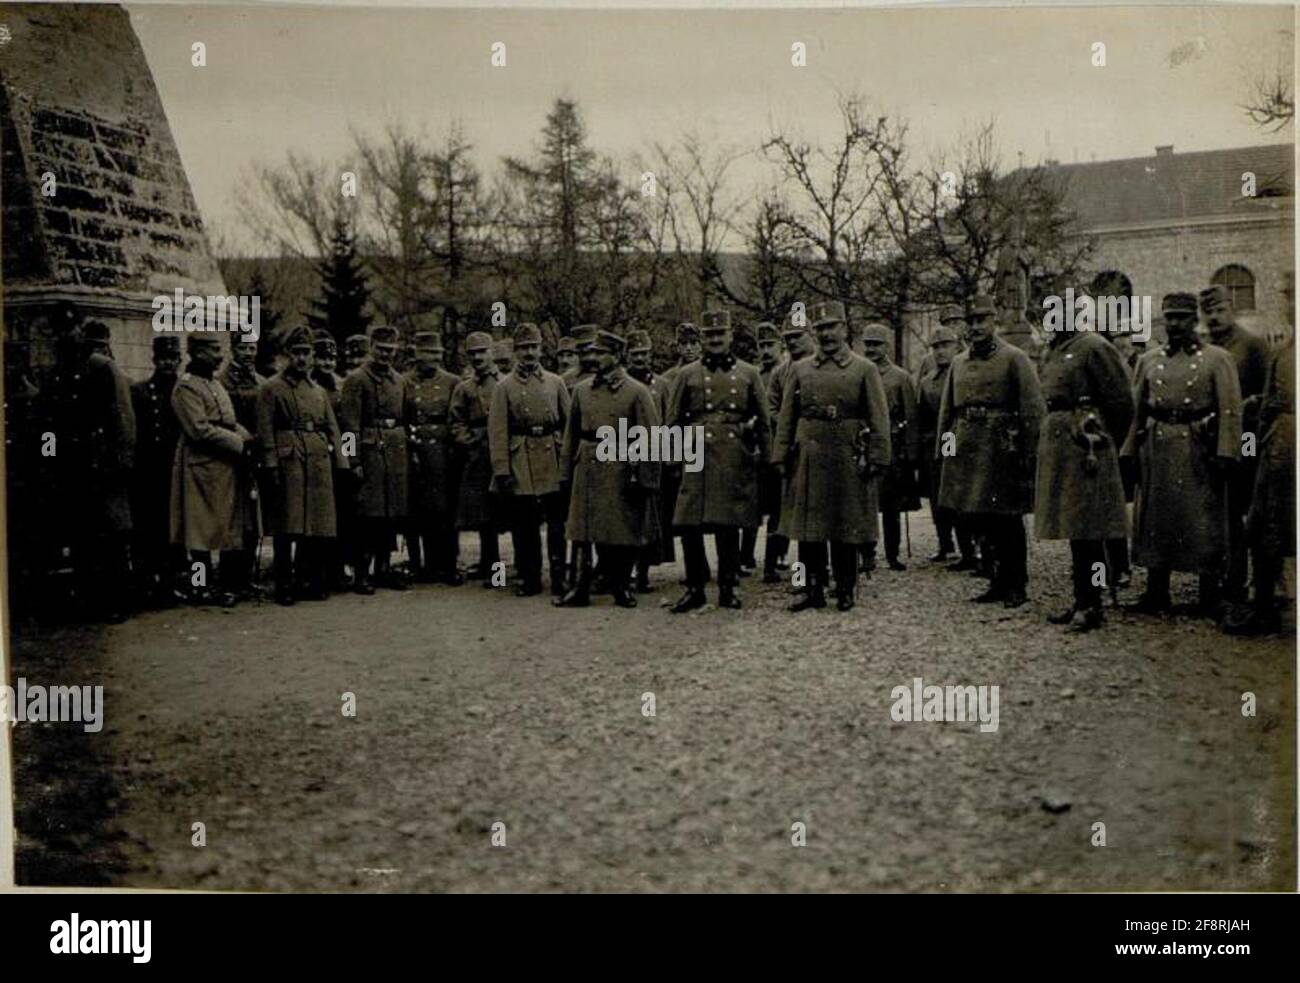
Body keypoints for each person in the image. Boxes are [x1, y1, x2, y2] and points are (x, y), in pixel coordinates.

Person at [1123, 293, 1242, 616]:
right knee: (1156, 518)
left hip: (1198, 445)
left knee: (1203, 517)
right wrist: (1130, 451)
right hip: (1158, 445)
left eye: (1181, 317)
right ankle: (1156, 591)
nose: (1174, 324)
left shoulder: (1216, 359)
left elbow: (1230, 410)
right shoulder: (1149, 360)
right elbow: (1137, 409)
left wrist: (1227, 452)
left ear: (1194, 320)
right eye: (1169, 317)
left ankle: (1210, 594)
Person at [773, 301, 892, 612]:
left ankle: (847, 588)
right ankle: (812, 589)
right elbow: (787, 417)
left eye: (832, 327)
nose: (826, 334)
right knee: (809, 530)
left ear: (844, 328)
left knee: (845, 525)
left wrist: (878, 457)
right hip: (809, 455)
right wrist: (780, 456)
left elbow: (879, 417)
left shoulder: (863, 369)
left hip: (846, 454)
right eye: (821, 328)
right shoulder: (800, 370)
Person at [936, 295, 1044, 608]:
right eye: (971, 321)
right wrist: (947, 453)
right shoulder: (958, 362)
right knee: (979, 518)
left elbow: (1032, 409)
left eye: (981, 320)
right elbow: (948, 413)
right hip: (968, 447)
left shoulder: (1015, 358)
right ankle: (995, 581)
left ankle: (1016, 583)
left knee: (1007, 520)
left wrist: (1029, 452)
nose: (975, 327)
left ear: (994, 321)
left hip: (1001, 449)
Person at [1034, 314, 1135, 632]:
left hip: (1087, 445)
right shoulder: (1054, 349)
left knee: (1092, 528)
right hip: (1062, 446)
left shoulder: (1094, 346)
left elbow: (1121, 403)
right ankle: (1083, 598)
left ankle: (1093, 604)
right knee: (1076, 529)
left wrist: (1105, 441)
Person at [665, 309, 770, 612]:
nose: (714, 340)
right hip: (695, 453)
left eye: (719, 334)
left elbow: (763, 421)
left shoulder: (749, 374)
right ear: (701, 338)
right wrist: (672, 461)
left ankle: (727, 589)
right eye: (708, 335)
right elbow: (672, 421)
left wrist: (767, 458)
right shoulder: (686, 375)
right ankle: (695, 588)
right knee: (689, 524)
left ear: (729, 337)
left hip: (733, 455)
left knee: (728, 524)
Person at [555, 330, 661, 608]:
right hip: (587, 467)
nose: (594, 358)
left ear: (616, 356)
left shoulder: (636, 392)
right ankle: (579, 588)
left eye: (601, 353)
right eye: (592, 352)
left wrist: (645, 477)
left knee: (621, 530)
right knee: (581, 530)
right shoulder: (581, 391)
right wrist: (565, 472)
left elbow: (650, 436)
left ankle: (621, 587)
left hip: (621, 467)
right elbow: (571, 436)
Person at [256, 326, 348, 605]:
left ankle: (310, 580)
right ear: (287, 356)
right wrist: (271, 464)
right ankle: (284, 583)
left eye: (306, 353)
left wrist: (342, 462)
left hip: (318, 460)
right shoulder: (272, 388)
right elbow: (265, 429)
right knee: (288, 526)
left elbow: (332, 427)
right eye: (296, 353)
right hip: (289, 459)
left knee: (316, 525)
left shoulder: (318, 391)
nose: (302, 359)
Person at [1199, 284, 1271, 606]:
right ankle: (1215, 576)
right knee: (1215, 509)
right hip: (1211, 440)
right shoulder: (1204, 348)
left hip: (1247, 438)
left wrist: (1249, 439)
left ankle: (1247, 580)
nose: (1214, 318)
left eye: (1219, 311)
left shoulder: (1252, 345)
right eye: (1209, 312)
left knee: (1243, 506)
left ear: (1232, 309)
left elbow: (1271, 393)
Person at [489, 323, 571, 596]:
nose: (529, 353)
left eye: (534, 347)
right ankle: (530, 577)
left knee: (557, 523)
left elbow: (569, 424)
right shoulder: (504, 386)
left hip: (552, 454)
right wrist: (502, 469)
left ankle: (559, 576)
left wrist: (568, 461)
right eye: (524, 348)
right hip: (521, 458)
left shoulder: (555, 382)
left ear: (541, 349)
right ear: (515, 352)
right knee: (525, 525)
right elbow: (498, 431)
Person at [171, 335, 252, 608]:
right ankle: (199, 587)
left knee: (229, 530)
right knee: (200, 534)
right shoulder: (186, 388)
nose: (220, 356)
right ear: (196, 353)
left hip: (226, 468)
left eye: (220, 349)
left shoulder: (215, 383)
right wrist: (238, 443)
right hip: (201, 468)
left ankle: (227, 586)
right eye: (214, 350)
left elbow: (228, 420)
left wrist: (249, 438)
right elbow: (199, 430)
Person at [1224, 332, 1294, 635]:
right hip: (1271, 440)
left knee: (1268, 524)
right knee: (1264, 523)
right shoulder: (1283, 350)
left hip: (1283, 444)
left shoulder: (1266, 349)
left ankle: (1266, 606)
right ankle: (1265, 602)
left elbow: (1280, 400)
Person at [340, 324, 410, 593]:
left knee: (391, 514)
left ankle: (384, 569)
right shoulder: (357, 380)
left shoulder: (399, 381)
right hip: (369, 455)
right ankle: (362, 574)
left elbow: (404, 418)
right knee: (368, 517)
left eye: (390, 351)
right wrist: (352, 462)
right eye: (380, 350)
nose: (385, 355)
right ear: (371, 348)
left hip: (394, 453)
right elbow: (350, 426)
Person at [404, 330, 463, 585]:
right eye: (427, 355)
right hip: (415, 451)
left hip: (442, 451)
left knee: (445, 511)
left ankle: (448, 565)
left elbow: (457, 417)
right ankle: (423, 566)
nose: (433, 360)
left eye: (436, 355)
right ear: (417, 356)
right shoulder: (404, 382)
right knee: (420, 511)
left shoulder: (452, 382)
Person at [916, 313, 974, 567]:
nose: (940, 352)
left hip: (962, 441)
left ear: (956, 346)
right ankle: (945, 544)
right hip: (934, 444)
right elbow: (921, 415)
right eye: (935, 347)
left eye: (945, 346)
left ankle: (972, 551)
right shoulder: (927, 382)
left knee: (963, 496)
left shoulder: (966, 372)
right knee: (938, 498)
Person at [862, 322, 920, 571]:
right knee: (865, 505)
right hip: (865, 445)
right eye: (868, 344)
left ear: (887, 346)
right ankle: (867, 555)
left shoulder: (900, 377)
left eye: (876, 344)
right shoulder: (860, 372)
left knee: (891, 507)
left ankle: (893, 554)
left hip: (893, 449)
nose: (871, 349)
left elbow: (912, 417)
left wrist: (911, 454)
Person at [131, 334, 183, 608]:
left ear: (179, 360)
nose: (167, 363)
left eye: (172, 358)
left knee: (174, 530)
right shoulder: (140, 392)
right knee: (149, 529)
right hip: (149, 471)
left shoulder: (185, 392)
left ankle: (172, 584)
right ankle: (146, 585)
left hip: (177, 470)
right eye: (163, 358)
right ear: (154, 359)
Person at [450, 331, 502, 583]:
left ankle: (503, 568)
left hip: (502, 451)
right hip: (477, 456)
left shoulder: (504, 383)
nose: (478, 357)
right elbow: (456, 421)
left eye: (482, 352)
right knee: (483, 513)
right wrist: (469, 443)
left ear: (492, 353)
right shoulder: (464, 388)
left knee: (506, 511)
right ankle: (488, 564)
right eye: (472, 354)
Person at [216, 336, 266, 597]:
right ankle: (228, 581)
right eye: (243, 348)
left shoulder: (262, 382)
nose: (248, 353)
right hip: (232, 456)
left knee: (253, 522)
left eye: (252, 347)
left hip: (255, 457)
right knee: (232, 521)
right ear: (233, 350)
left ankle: (245, 578)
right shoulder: (221, 382)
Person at [624, 327, 671, 591]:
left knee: (648, 518)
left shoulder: (662, 386)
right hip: (625, 457)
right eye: (635, 354)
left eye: (644, 353)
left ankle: (642, 574)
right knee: (626, 516)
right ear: (627, 356)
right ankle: (623, 571)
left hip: (653, 458)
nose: (640, 359)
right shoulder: (621, 386)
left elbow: (669, 422)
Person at [311, 332, 352, 588]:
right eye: (322, 358)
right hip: (314, 457)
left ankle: (338, 568)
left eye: (331, 359)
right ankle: (316, 570)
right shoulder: (310, 385)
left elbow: (347, 427)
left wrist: (347, 457)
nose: (327, 364)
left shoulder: (341, 386)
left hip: (337, 458)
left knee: (340, 517)